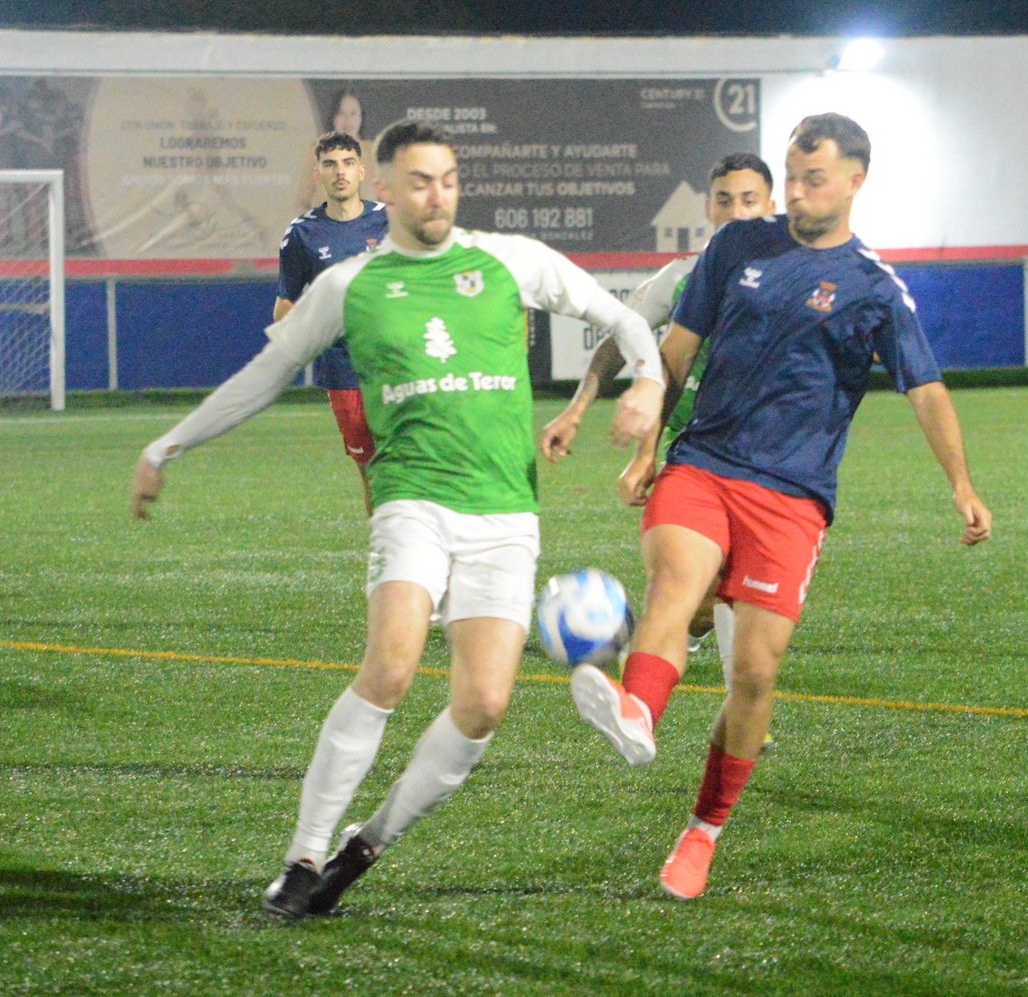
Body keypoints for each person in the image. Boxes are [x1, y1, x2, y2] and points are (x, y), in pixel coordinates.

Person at [127, 120, 664, 918]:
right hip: (412, 497)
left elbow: (616, 316)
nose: (437, 194)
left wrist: (649, 380)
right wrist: (167, 445)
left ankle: (361, 846)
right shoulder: (351, 286)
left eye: (447, 178)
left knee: (483, 704)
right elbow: (265, 374)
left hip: (507, 511)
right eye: (419, 180)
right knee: (391, 667)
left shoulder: (508, 258)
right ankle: (303, 855)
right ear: (385, 190)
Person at [567, 113, 992, 899]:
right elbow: (676, 351)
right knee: (675, 586)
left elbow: (925, 390)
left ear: (856, 181)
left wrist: (960, 484)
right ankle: (637, 712)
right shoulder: (738, 246)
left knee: (755, 673)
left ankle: (701, 833)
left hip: (792, 498)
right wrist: (645, 447)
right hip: (704, 464)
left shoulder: (874, 288)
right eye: (790, 177)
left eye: (813, 179)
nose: (794, 194)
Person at [540, 152, 776, 682]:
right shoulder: (685, 277)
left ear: (771, 207)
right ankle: (698, 642)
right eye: (724, 200)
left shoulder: (793, 277)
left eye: (749, 200)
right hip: (694, 448)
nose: (736, 212)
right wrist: (578, 409)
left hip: (771, 450)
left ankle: (717, 664)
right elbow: (623, 340)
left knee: (727, 583)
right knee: (704, 582)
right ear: (708, 209)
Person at [276, 131, 390, 512]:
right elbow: (285, 307)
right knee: (368, 463)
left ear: (361, 171)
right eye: (330, 164)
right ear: (318, 175)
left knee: (411, 455)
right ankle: (383, 532)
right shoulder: (302, 235)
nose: (339, 172)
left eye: (347, 163)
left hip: (396, 361)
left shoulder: (391, 223)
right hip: (342, 369)